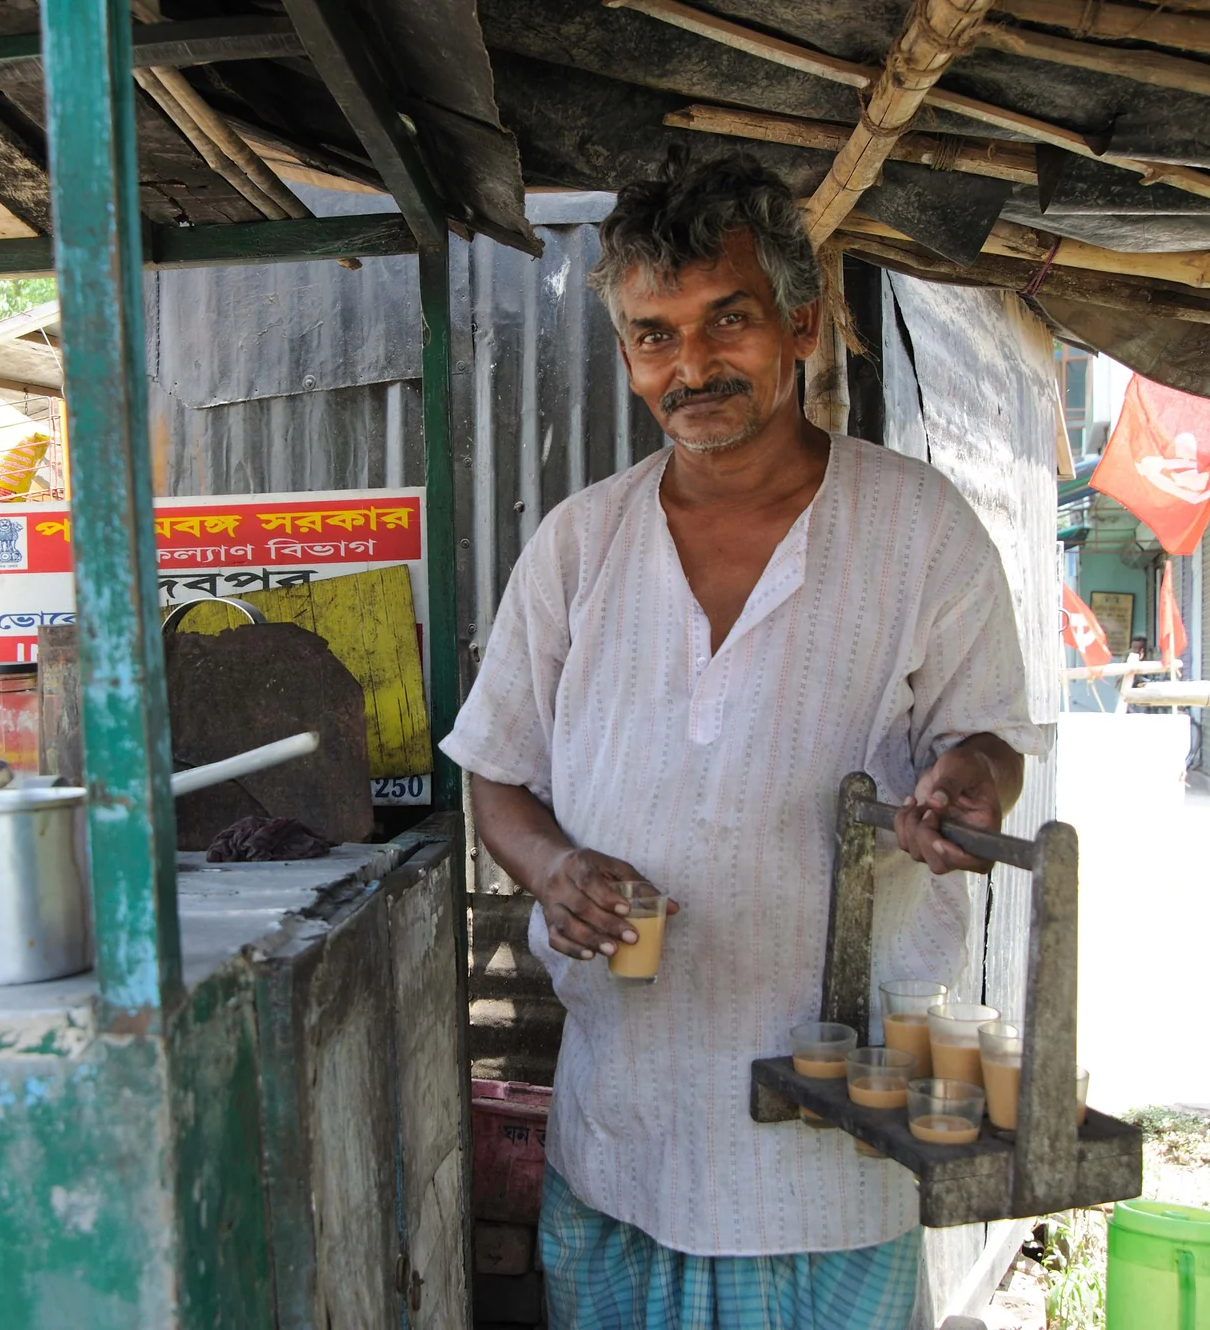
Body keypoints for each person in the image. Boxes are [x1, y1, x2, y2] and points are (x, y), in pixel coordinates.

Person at [440, 152, 1041, 1329]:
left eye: (727, 320)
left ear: (802, 324)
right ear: (625, 355)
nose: (691, 364)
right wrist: (553, 868)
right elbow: (496, 775)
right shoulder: (578, 546)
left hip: (836, 1128)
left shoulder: (917, 526)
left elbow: (993, 737)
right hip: (628, 1115)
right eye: (653, 335)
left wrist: (972, 777)